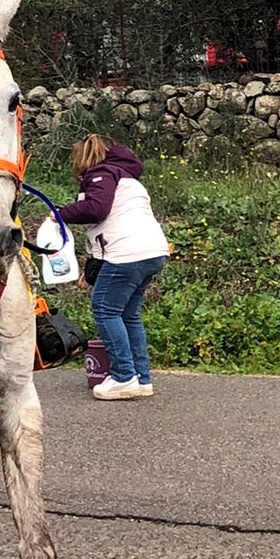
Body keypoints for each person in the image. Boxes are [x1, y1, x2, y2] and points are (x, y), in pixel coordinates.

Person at [56, 135, 169, 401]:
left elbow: (97, 209)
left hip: (126, 253)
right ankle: (141, 378)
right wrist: (91, 267)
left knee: (105, 309)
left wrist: (60, 214)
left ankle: (122, 376)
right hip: (152, 251)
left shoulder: (101, 174)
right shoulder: (128, 178)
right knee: (128, 314)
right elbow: (109, 225)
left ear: (84, 158)